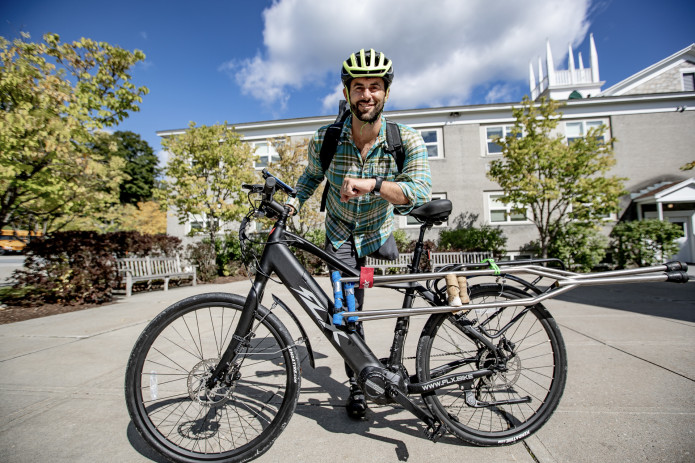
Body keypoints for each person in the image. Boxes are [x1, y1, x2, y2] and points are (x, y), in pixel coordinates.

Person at [287, 48, 431, 418]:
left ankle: (361, 297)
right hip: (339, 235)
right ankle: (360, 384)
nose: (366, 95)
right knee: (349, 311)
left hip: (377, 233)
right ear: (347, 92)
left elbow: (420, 191)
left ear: (386, 92)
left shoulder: (405, 140)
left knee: (364, 287)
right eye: (358, 87)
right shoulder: (327, 139)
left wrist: (373, 184)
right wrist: (291, 203)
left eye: (375, 87)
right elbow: (309, 179)